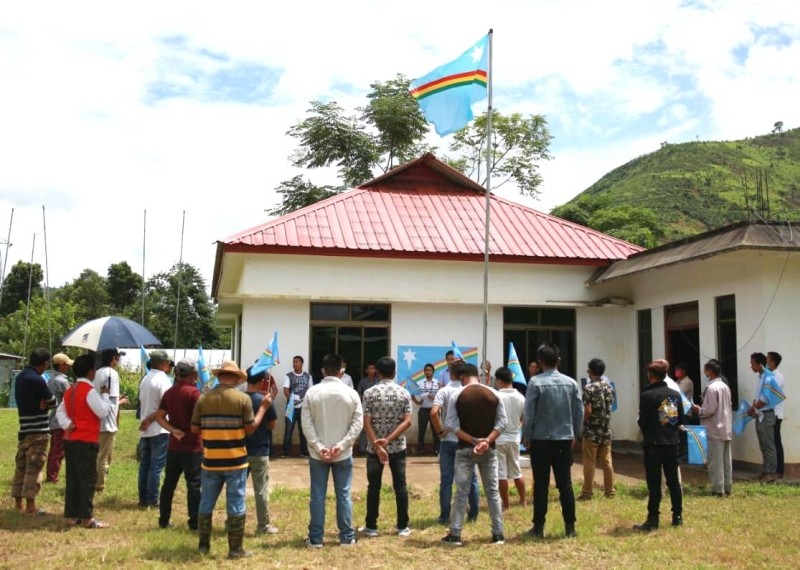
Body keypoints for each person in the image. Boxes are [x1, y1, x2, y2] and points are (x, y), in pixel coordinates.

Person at [191, 360, 274, 558]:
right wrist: (263, 408)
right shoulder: (241, 399)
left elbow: (194, 428)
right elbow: (250, 428)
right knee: (236, 503)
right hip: (235, 459)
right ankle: (235, 549)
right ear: (236, 378)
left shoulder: (204, 398)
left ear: (220, 376)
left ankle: (204, 546)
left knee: (206, 502)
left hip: (210, 459)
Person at [301, 353, 363, 547]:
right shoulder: (351, 393)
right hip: (342, 454)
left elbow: (306, 423)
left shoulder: (312, 393)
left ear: (322, 370)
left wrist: (319, 446)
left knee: (317, 495)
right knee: (343, 494)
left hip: (318, 454)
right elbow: (357, 423)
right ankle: (346, 537)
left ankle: (316, 538)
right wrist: (342, 445)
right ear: (341, 371)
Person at [441, 363, 507, 546]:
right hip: (489, 449)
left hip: (464, 448)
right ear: (477, 375)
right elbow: (503, 423)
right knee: (492, 492)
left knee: (461, 492)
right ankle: (498, 533)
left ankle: (455, 534)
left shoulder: (457, 394)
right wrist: (486, 441)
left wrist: (472, 441)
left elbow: (451, 425)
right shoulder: (494, 393)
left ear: (462, 378)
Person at [522, 342, 583, 539]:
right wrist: (575, 433)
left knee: (540, 484)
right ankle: (570, 527)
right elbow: (578, 411)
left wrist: (526, 436)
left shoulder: (535, 382)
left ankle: (538, 527)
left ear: (540, 362)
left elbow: (529, 413)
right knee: (565, 484)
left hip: (540, 439)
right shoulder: (571, 383)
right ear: (558, 360)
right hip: (564, 439)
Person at [55, 354, 113, 528]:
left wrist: (67, 424)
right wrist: (105, 396)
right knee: (88, 479)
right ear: (90, 372)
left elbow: (60, 412)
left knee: (73, 478)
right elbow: (102, 412)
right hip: (86, 439)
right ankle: (87, 517)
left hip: (71, 439)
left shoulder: (71, 390)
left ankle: (72, 515)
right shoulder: (89, 391)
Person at [359, 356, 412, 538]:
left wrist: (378, 444)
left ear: (378, 372)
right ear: (394, 372)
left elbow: (366, 423)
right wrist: (388, 440)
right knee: (401, 486)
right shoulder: (404, 393)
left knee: (373, 486)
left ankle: (371, 526)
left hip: (374, 449)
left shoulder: (369, 393)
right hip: (397, 446)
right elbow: (407, 422)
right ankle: (402, 526)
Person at [148, 358, 202, 530]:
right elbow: (199, 420)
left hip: (174, 445)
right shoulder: (194, 394)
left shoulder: (170, 393)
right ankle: (194, 522)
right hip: (193, 445)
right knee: (193, 485)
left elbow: (159, 416)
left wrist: (173, 430)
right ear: (193, 374)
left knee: (169, 484)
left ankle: (164, 520)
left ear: (177, 373)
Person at [634, 361, 685, 532]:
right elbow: (678, 420)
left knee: (654, 483)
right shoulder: (674, 394)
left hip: (653, 444)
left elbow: (643, 421)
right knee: (674, 482)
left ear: (651, 376)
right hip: (671, 442)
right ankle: (677, 516)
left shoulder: (647, 395)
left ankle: (653, 519)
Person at [430, 360, 479, 525]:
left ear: (450, 372)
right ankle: (473, 515)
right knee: (471, 479)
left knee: (446, 480)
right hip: (467, 440)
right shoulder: (470, 390)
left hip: (448, 441)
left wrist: (440, 431)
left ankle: (444, 516)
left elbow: (434, 412)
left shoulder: (444, 391)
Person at [13, 347, 56, 516]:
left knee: (21, 467)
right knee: (34, 467)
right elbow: (53, 401)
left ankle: (18, 504)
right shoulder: (37, 380)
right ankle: (31, 507)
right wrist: (45, 402)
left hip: (24, 428)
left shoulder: (21, 377)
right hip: (38, 429)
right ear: (45, 363)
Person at [137, 350, 173, 507]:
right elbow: (165, 406)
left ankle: (143, 498)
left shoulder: (145, 379)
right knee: (156, 466)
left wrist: (146, 420)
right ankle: (152, 499)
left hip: (146, 429)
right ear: (164, 364)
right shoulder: (163, 380)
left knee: (145, 465)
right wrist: (151, 419)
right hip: (159, 428)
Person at [244, 368, 279, 535]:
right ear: (261, 382)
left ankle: (232, 523)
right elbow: (272, 425)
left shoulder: (239, 399)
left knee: (236, 488)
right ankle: (263, 526)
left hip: (240, 450)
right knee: (261, 489)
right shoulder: (265, 400)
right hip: (260, 449)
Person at [693, 359, 732, 496]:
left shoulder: (711, 388)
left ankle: (717, 489)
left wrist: (698, 410)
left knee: (715, 461)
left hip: (714, 428)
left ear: (709, 371)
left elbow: (709, 410)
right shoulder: (725, 387)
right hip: (725, 428)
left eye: (706, 370)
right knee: (726, 461)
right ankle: (727, 487)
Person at [579, 358, 615, 500]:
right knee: (607, 461)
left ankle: (587, 492)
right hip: (606, 429)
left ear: (591, 371)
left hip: (592, 430)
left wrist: (582, 424)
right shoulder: (608, 387)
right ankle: (610, 490)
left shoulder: (588, 388)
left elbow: (588, 410)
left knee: (589, 461)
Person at [93, 348, 129, 493]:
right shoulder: (111, 374)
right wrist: (118, 405)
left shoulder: (96, 372)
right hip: (107, 421)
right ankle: (99, 485)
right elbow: (110, 400)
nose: (119, 361)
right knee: (103, 457)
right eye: (118, 358)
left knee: (99, 454)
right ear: (113, 358)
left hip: (96, 418)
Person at [494, 366, 527, 510]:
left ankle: (506, 505)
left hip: (499, 437)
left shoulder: (496, 396)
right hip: (514, 437)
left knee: (501, 473)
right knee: (516, 471)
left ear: (499, 380)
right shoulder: (521, 397)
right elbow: (523, 418)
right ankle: (523, 501)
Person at [747, 352, 778, 482]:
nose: (751, 366)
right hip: (760, 414)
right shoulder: (761, 377)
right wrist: (753, 407)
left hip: (766, 414)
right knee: (763, 444)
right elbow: (757, 396)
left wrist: (754, 408)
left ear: (760, 364)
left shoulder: (768, 377)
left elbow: (765, 398)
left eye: (752, 363)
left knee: (768, 445)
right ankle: (765, 471)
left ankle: (771, 473)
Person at [46, 353, 73, 484]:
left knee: (53, 450)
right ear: (62, 365)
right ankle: (53, 477)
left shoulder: (50, 380)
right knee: (58, 451)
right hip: (61, 420)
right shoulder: (62, 382)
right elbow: (71, 399)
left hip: (53, 419)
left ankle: (50, 474)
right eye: (67, 365)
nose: (68, 367)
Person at [282, 355, 313, 458]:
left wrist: (306, 402)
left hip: (303, 407)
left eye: (297, 362)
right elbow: (286, 390)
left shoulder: (308, 376)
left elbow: (310, 391)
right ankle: (286, 453)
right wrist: (291, 399)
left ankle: (304, 452)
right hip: (291, 407)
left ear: (302, 363)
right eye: (293, 362)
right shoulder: (288, 376)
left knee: (303, 430)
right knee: (288, 430)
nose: (294, 364)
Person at [412, 363, 440, 455]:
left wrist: (435, 398)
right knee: (421, 430)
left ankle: (437, 449)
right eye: (426, 370)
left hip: (434, 409)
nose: (428, 372)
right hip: (423, 409)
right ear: (424, 372)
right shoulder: (420, 382)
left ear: (433, 372)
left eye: (430, 370)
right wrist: (417, 402)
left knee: (436, 430)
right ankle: (420, 449)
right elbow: (412, 394)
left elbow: (441, 395)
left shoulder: (437, 382)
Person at [767, 351, 785, 479]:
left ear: (773, 361)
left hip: (775, 413)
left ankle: (779, 470)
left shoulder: (777, 376)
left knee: (776, 442)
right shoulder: (770, 375)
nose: (766, 362)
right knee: (772, 442)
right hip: (771, 413)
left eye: (768, 360)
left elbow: (772, 394)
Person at [356, 363, 380, 454]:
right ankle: (362, 448)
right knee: (364, 428)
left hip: (377, 407)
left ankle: (376, 447)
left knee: (376, 427)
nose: (372, 370)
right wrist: (364, 398)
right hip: (365, 407)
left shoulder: (378, 381)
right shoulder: (363, 381)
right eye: (370, 368)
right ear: (366, 370)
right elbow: (358, 393)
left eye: (374, 368)